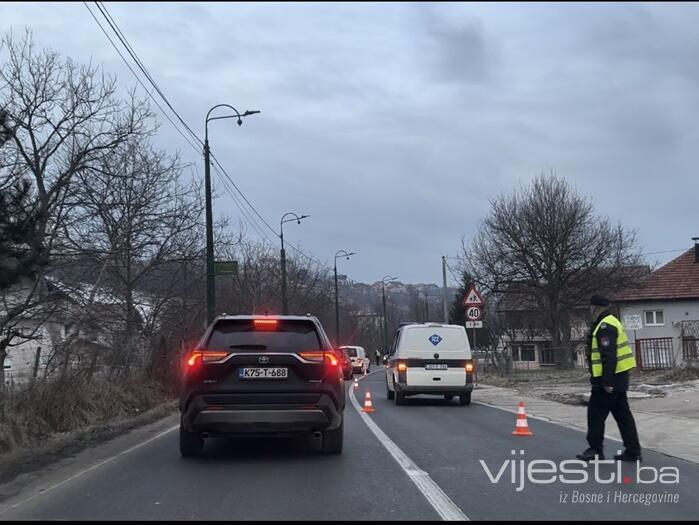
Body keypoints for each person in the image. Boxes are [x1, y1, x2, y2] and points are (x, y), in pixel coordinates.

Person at [576, 295, 642, 462]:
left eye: (590, 307)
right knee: (623, 415)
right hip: (619, 376)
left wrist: (607, 382)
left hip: (608, 378)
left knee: (595, 414)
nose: (589, 310)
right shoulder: (610, 322)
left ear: (595, 307)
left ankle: (595, 450)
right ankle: (633, 451)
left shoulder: (605, 326)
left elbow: (608, 356)